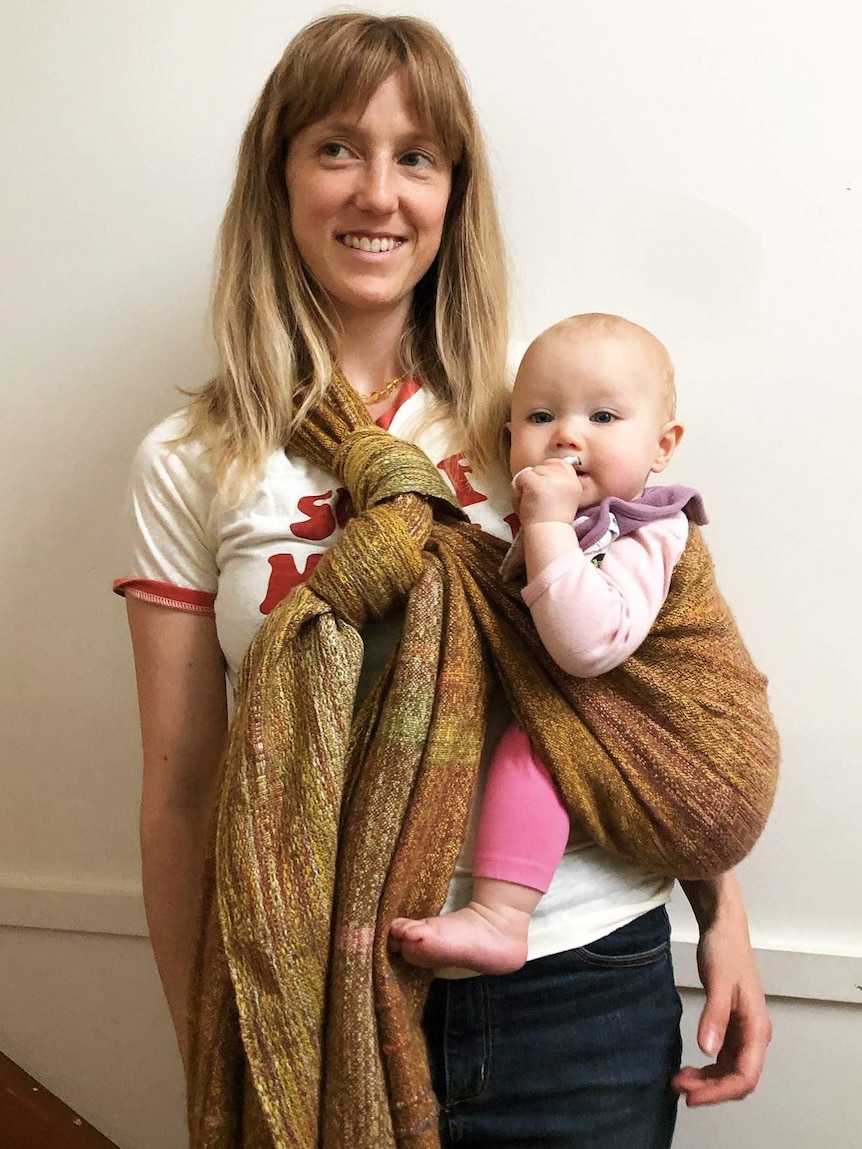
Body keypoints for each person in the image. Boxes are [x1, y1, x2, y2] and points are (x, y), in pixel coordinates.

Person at [114, 13, 776, 1148]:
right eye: (336, 147)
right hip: (328, 999)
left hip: (584, 991)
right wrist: (217, 1046)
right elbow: (183, 794)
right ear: (277, 177)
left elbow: (650, 678)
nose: (379, 193)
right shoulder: (189, 461)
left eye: (415, 156)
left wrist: (725, 919)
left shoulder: (541, 413)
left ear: (451, 194)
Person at [390, 312, 712, 977]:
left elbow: (585, 646)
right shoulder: (590, 523)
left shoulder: (652, 528)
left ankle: (502, 916)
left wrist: (546, 522)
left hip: (633, 763)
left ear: (662, 445)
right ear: (507, 439)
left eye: (602, 417)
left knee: (537, 735)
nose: (566, 433)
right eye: (539, 417)